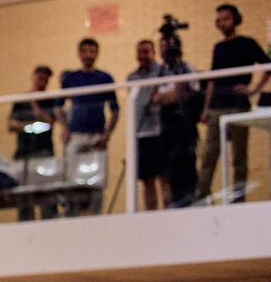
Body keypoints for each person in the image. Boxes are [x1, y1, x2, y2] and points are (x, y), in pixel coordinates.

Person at [198, 3, 271, 202]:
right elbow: (213, 80)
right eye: (219, 20)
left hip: (238, 104)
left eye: (226, 18)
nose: (222, 23)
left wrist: (253, 89)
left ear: (235, 20)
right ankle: (200, 198)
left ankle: (238, 200)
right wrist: (206, 108)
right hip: (216, 106)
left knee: (239, 157)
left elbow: (269, 66)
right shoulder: (218, 47)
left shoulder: (247, 43)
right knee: (209, 156)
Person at [58, 38, 119, 189]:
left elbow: (115, 109)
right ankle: (76, 212)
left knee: (97, 181)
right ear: (79, 54)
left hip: (97, 135)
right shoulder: (71, 78)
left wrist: (107, 134)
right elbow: (57, 106)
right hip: (76, 134)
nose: (88, 55)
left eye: (92, 52)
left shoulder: (105, 78)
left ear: (97, 54)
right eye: (85, 51)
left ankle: (96, 211)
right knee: (72, 179)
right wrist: (64, 128)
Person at [157, 33, 202, 206]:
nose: (165, 50)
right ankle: (171, 201)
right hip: (165, 125)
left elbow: (186, 93)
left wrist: (170, 96)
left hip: (185, 123)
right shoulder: (159, 72)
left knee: (188, 162)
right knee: (168, 165)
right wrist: (170, 95)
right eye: (162, 46)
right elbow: (153, 97)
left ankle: (191, 199)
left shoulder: (186, 68)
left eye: (168, 45)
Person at [126, 39, 172, 210]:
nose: (142, 55)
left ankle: (169, 212)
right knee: (147, 179)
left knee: (164, 177)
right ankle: (150, 215)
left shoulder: (162, 72)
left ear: (153, 53)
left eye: (146, 51)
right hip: (140, 133)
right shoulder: (131, 77)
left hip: (159, 131)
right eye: (139, 52)